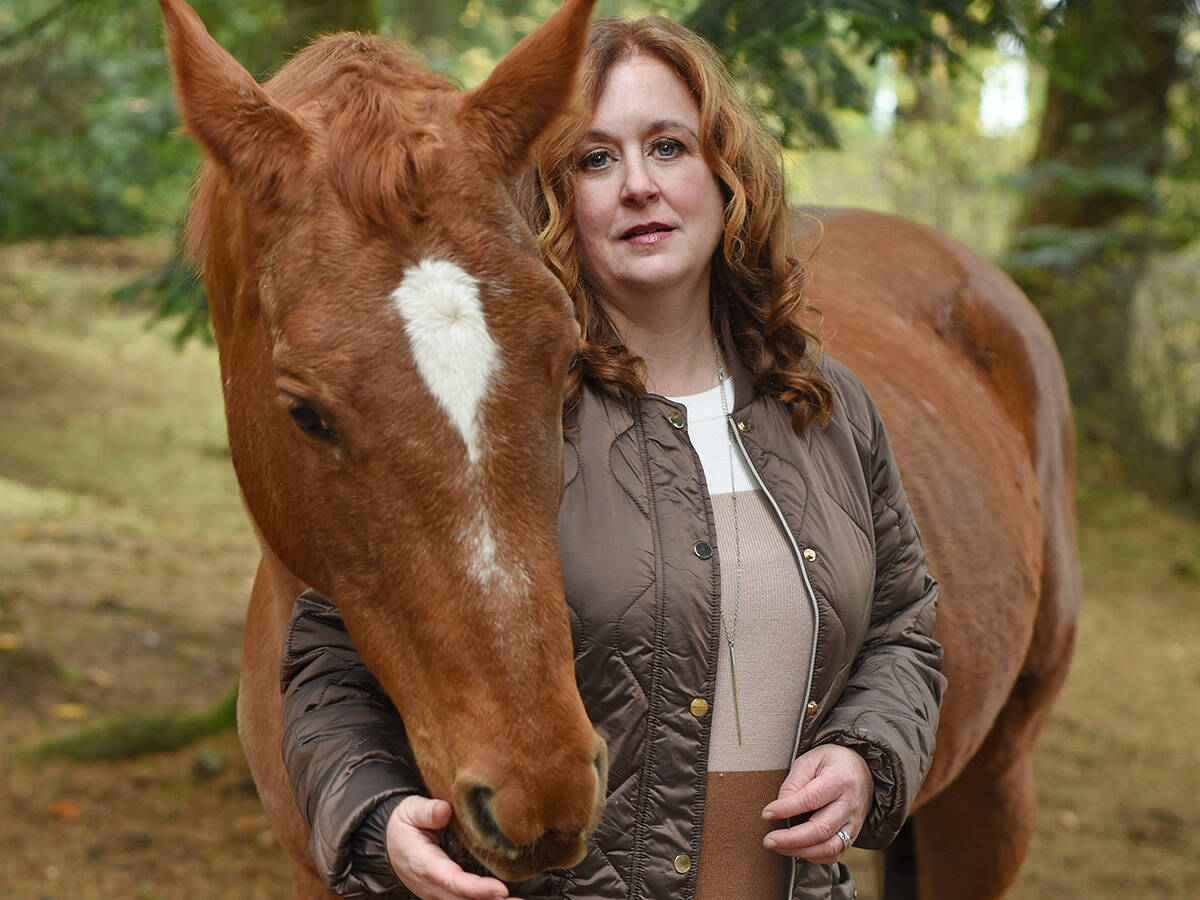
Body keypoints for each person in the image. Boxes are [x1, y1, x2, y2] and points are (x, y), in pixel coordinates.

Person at [279, 15, 945, 900]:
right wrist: (373, 817)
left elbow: (905, 629)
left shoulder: (824, 409)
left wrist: (867, 756)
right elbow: (329, 658)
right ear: (552, 198)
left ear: (723, 172)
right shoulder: (500, 415)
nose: (638, 185)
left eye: (668, 146)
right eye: (595, 160)